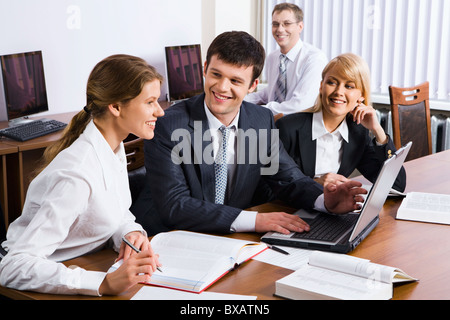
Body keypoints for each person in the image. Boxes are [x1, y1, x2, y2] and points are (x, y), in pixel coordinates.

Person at [131, 31, 367, 236]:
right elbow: (175, 205)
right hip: (165, 237)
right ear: (204, 69)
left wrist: (324, 200)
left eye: (235, 80)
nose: (222, 87)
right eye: (216, 74)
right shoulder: (168, 124)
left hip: (226, 240)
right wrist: (255, 221)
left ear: (253, 85)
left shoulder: (260, 120)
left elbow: (288, 178)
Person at [0, 54, 164, 296]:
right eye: (150, 102)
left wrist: (129, 232)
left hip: (74, 262)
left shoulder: (113, 149)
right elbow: (14, 266)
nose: (160, 111)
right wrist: (102, 283)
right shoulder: (77, 174)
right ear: (116, 107)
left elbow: (114, 213)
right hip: (33, 279)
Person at [276, 53, 406, 192]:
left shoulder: (357, 133)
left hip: (333, 211)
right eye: (332, 82)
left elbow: (396, 185)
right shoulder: (285, 127)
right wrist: (313, 184)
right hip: (290, 211)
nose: (339, 92)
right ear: (321, 87)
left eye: (349, 86)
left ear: (361, 95)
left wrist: (379, 132)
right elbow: (265, 185)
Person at [245, 3, 327, 115]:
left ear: (300, 26)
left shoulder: (314, 59)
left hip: (298, 125)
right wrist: (241, 101)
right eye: (275, 24)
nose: (280, 29)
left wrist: (261, 111)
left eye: (286, 24)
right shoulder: (272, 58)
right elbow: (271, 92)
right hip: (272, 123)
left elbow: (301, 105)